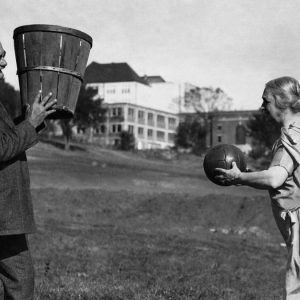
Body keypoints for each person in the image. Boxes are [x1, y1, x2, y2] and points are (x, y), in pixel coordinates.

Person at [215, 76, 300, 300]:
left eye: (266, 101)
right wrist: (251, 173)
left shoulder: (293, 136)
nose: (263, 107)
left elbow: (275, 178)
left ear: (282, 101)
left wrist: (239, 177)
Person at [0, 41, 57, 300]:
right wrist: (31, 123)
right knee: (21, 281)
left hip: (5, 214)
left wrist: (32, 121)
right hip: (2, 214)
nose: (4, 63)